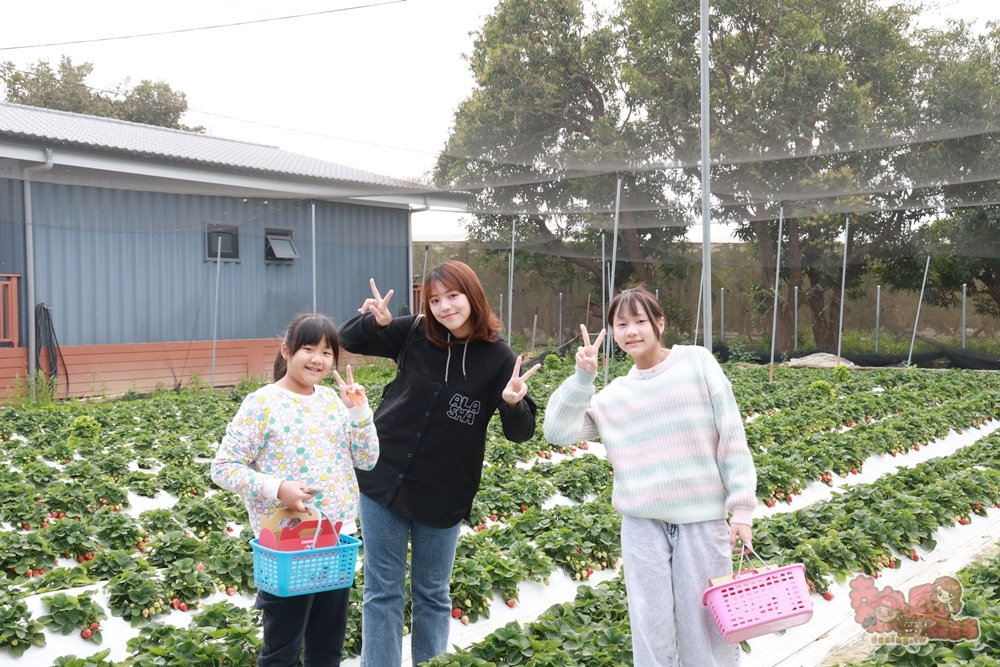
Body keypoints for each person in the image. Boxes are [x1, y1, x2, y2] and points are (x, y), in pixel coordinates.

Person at [339, 260, 540, 667]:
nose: (445, 307)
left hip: (443, 492)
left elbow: (520, 433)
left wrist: (514, 403)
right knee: (382, 590)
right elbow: (348, 340)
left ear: (472, 296)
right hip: (383, 477)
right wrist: (372, 322)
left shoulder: (499, 357)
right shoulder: (415, 331)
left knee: (432, 594)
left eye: (453, 296)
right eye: (435, 300)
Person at [543, 286, 757, 667]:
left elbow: (731, 433)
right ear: (611, 332)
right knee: (649, 625)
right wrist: (581, 379)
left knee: (706, 625)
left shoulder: (697, 362)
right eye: (621, 324)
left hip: (702, 522)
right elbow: (558, 433)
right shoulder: (614, 397)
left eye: (640, 321)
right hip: (642, 526)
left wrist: (741, 508)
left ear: (660, 323)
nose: (631, 331)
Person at [211, 313, 379, 667]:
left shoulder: (334, 402)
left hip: (335, 538)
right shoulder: (262, 403)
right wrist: (279, 488)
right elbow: (223, 468)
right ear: (286, 351)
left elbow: (367, 460)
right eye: (308, 348)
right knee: (282, 650)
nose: (317, 359)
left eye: (327, 352)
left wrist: (360, 413)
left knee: (327, 647)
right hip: (284, 543)